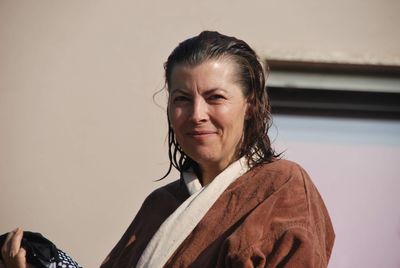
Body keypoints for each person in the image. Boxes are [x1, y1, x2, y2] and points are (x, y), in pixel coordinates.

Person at [1, 31, 335, 268]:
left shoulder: (283, 188)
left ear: (249, 105)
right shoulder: (160, 206)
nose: (196, 115)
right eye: (181, 100)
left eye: (215, 97)